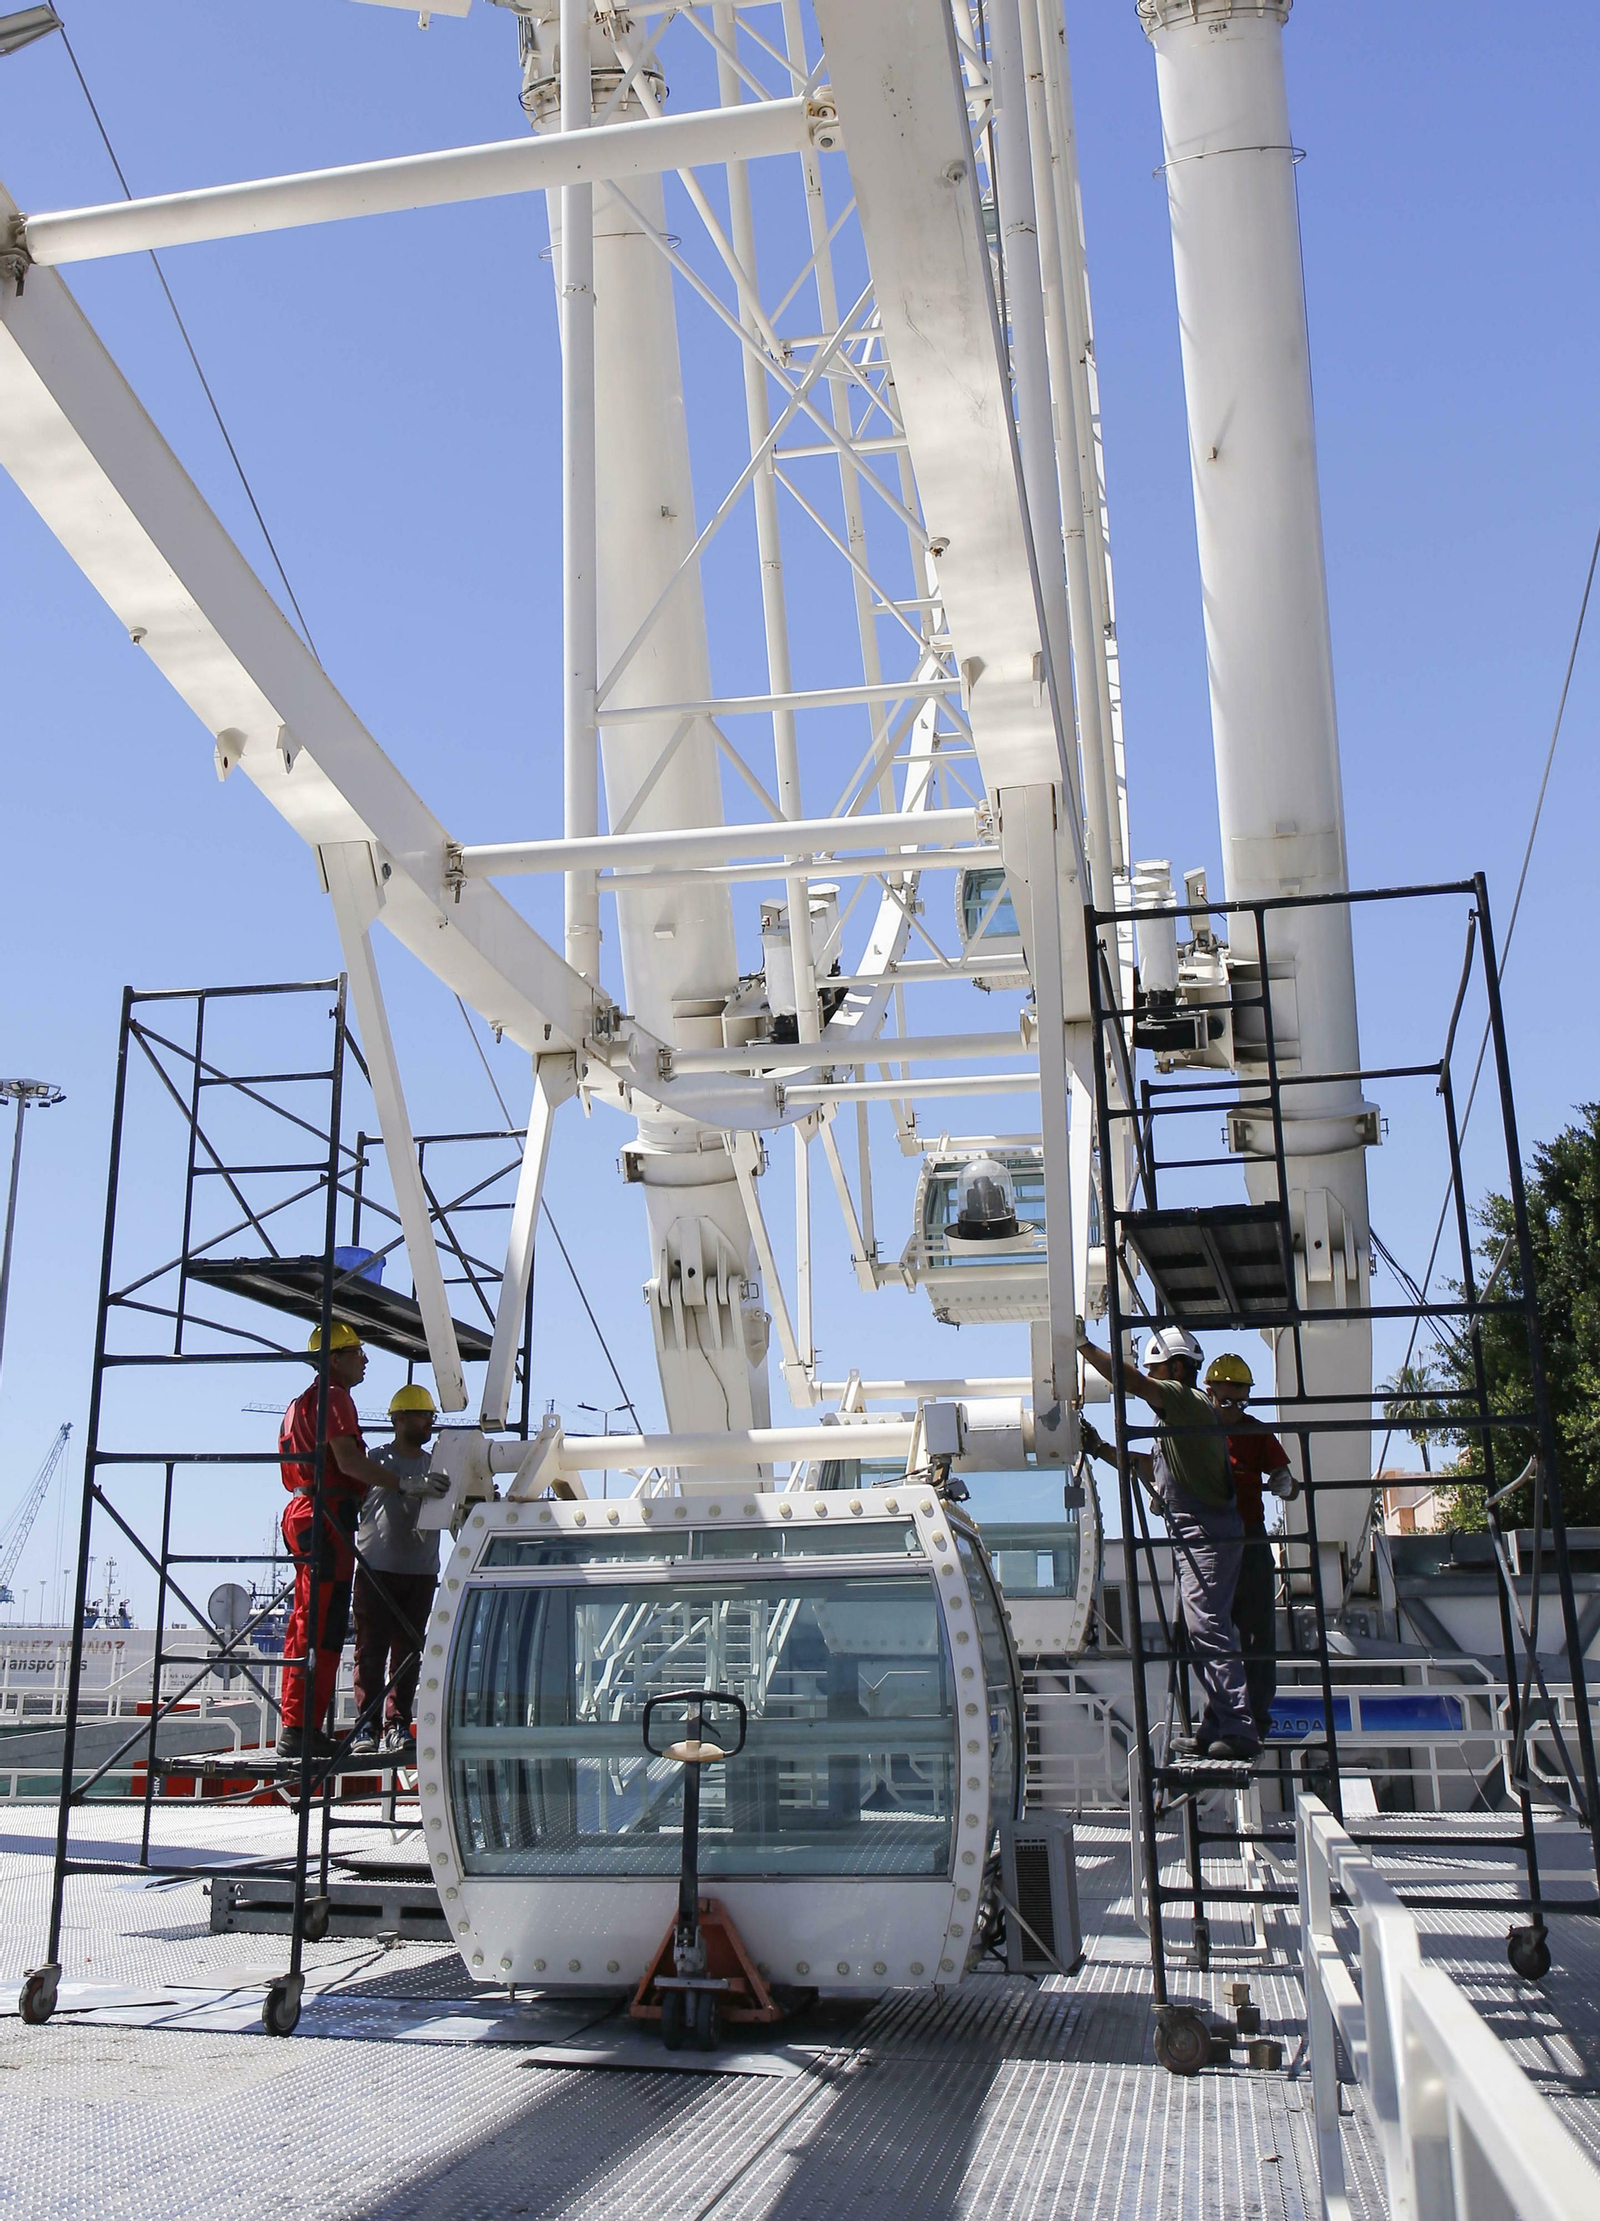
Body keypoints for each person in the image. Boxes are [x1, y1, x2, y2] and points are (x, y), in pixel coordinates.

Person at [1077, 1322, 1260, 1759]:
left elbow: (1132, 1383)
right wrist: (1101, 1449)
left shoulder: (1185, 1400)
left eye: (1156, 1368)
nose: (1152, 1377)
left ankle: (1238, 1728)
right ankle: (1214, 1724)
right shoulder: (1177, 1423)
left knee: (1209, 1628)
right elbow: (1148, 1468)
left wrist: (1081, 1345)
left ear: (1177, 1367)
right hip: (1196, 1536)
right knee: (1195, 1631)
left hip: (1205, 1537)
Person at [276, 1323, 403, 1761]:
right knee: (322, 1627)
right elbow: (349, 1463)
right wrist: (402, 1483)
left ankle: (301, 1725)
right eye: (356, 1352)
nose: (364, 1360)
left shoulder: (300, 1403)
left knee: (310, 1622)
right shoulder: (334, 1397)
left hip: (307, 1512)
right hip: (324, 1515)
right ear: (334, 1359)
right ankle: (299, 1728)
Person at [1204, 1353, 1298, 1743]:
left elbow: (1287, 1481)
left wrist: (1285, 1483)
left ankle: (1254, 1721)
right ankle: (1215, 1723)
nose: (1232, 1410)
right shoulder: (1193, 1435)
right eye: (1225, 1401)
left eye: (1240, 1402)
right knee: (1210, 1634)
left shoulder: (1255, 1433)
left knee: (1257, 1633)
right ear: (1209, 1395)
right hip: (1209, 1543)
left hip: (1250, 1539)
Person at [350, 1384, 448, 1756]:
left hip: (419, 1574)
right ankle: (367, 1727)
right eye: (424, 1415)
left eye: (431, 1416)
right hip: (377, 1570)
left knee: (408, 1652)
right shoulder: (376, 1463)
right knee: (370, 1651)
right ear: (400, 1418)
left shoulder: (435, 1467)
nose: (429, 1422)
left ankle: (396, 1724)